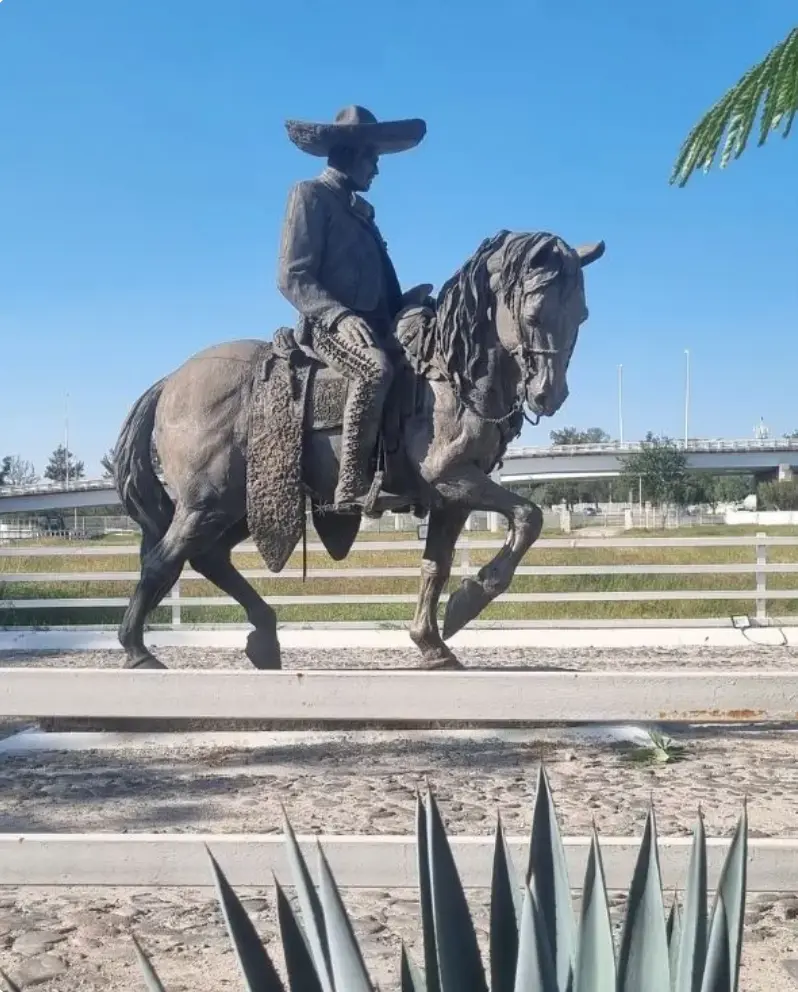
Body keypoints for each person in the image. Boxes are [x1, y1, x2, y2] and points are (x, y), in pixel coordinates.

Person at [277, 105, 431, 512]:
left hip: (376, 324)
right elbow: (292, 274)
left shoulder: (362, 214)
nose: (376, 170)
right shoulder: (310, 195)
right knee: (375, 369)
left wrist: (407, 301)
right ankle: (350, 484)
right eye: (372, 159)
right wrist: (338, 316)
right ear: (351, 153)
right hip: (329, 326)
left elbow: (379, 286)